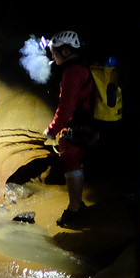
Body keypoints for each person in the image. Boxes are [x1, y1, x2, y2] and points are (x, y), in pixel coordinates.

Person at [42, 30, 97, 227]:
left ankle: (75, 209)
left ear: (66, 51)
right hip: (86, 123)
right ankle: (77, 204)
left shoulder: (72, 72)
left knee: (72, 163)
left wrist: (52, 130)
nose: (52, 55)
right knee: (76, 163)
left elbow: (66, 108)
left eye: (54, 52)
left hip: (77, 126)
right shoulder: (81, 67)